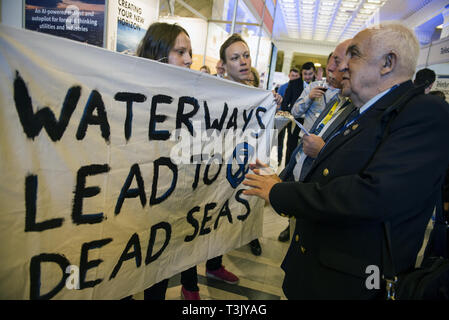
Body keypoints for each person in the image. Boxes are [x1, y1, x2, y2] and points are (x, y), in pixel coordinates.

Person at [243, 22, 449, 299]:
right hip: (315, 273)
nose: (342, 67)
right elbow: (334, 176)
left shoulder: (425, 113)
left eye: (354, 54)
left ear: (387, 62)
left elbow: (373, 195)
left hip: (351, 287)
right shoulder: (364, 112)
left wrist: (280, 192)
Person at [131, 22, 207, 301]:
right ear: (159, 53)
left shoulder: (191, 96)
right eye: (180, 52)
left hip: (168, 203)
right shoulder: (132, 90)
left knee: (159, 272)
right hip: (134, 204)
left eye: (190, 52)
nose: (189, 60)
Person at [277, 41, 353, 243]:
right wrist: (309, 98)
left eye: (336, 65)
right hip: (303, 144)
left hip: (321, 159)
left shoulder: (345, 97)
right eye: (329, 66)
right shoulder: (313, 89)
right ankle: (290, 224)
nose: (331, 71)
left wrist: (323, 151)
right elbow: (294, 112)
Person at [279, 62, 316, 170]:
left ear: (314, 73)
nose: (308, 77)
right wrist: (294, 113)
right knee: (291, 148)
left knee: (307, 149)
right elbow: (285, 103)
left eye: (310, 74)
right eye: (305, 74)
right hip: (295, 121)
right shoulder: (294, 83)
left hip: (311, 122)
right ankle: (286, 172)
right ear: (301, 74)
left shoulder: (318, 85)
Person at [276, 68, 300, 166]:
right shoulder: (282, 87)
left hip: (293, 118)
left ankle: (287, 163)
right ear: (289, 76)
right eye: (292, 76)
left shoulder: (300, 89)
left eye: (296, 76)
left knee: (290, 143)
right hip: (282, 117)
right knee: (279, 140)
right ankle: (278, 160)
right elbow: (278, 103)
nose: (293, 78)